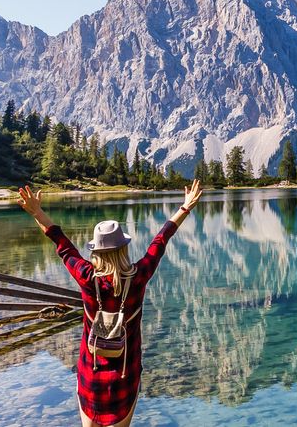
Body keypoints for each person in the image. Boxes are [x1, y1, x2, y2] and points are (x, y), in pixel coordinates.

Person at [17, 180, 203, 427]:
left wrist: (37, 212)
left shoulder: (86, 276)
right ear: (124, 249)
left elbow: (62, 245)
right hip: (126, 372)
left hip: (90, 371)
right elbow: (160, 240)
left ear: (96, 251)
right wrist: (185, 207)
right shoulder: (138, 276)